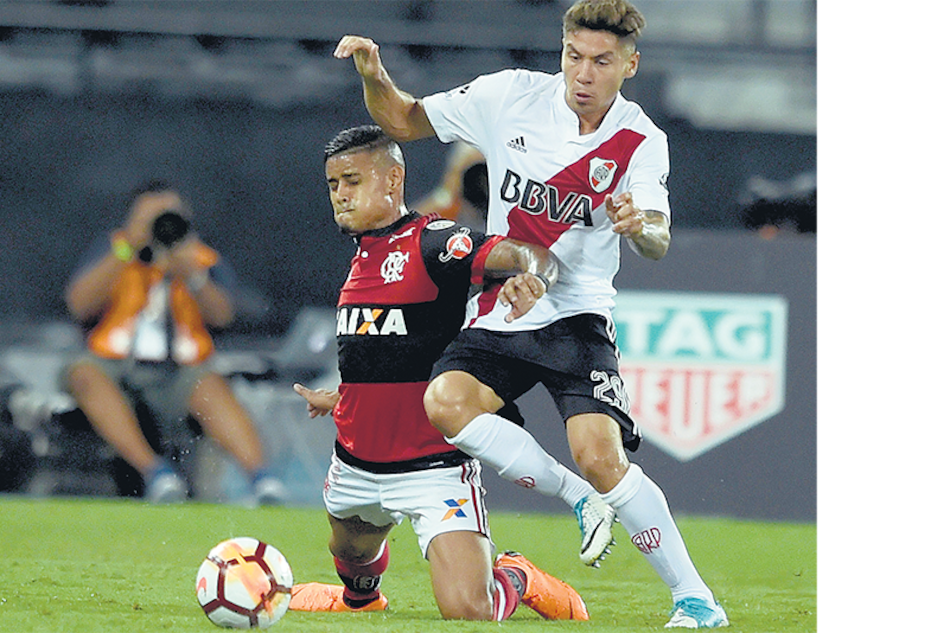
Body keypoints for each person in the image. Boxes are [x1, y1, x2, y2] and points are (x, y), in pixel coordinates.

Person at [333, 1, 728, 628]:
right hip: (503, 305)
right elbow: (404, 120)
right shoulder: (511, 97)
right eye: (574, 57)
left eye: (602, 62)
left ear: (630, 64)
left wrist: (637, 224)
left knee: (599, 456)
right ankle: (578, 501)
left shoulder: (639, 139)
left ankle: (694, 598)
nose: (584, 74)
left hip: (577, 316)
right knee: (446, 402)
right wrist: (371, 74)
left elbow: (657, 237)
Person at [287, 125, 588, 622]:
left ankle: (517, 576)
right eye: (333, 184)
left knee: (468, 610)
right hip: (356, 463)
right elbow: (392, 349)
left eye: (351, 180)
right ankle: (361, 597)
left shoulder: (435, 242)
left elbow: (528, 252)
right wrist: (341, 396)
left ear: (392, 180)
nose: (339, 195)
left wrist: (533, 275)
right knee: (354, 557)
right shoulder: (363, 253)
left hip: (433, 469)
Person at [61, 180, 287, 505]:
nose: (159, 225)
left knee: (211, 386)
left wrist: (191, 271)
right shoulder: (116, 249)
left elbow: (222, 315)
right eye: (151, 218)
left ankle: (263, 480)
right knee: (83, 374)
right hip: (114, 361)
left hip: (180, 365)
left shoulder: (200, 258)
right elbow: (79, 304)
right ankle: (156, 473)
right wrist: (129, 246)